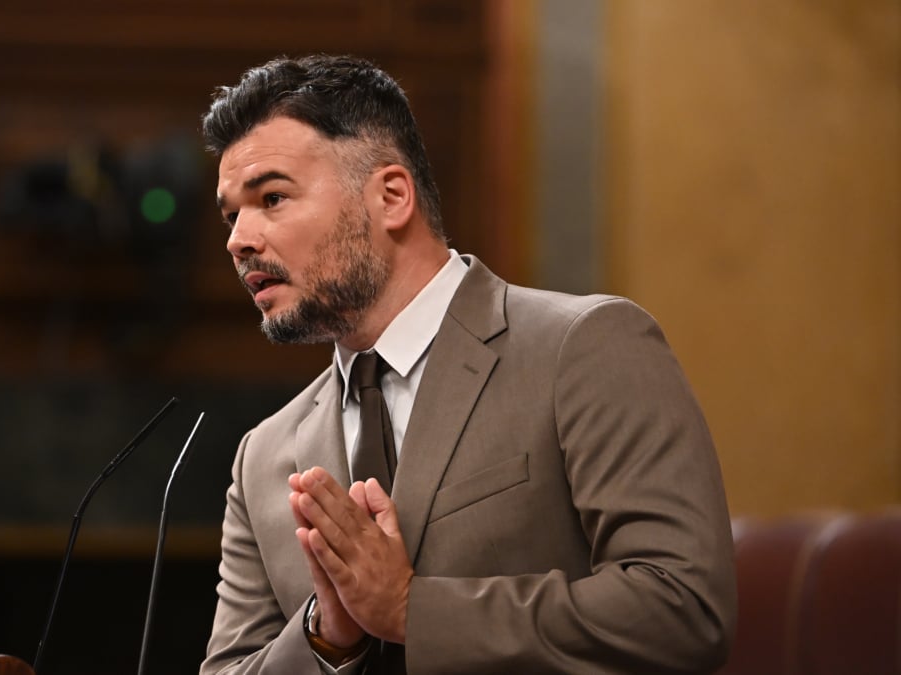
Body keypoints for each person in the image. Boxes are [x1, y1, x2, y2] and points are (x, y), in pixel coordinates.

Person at [199, 54, 736, 675]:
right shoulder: (263, 455)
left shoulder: (584, 348)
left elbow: (684, 607)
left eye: (271, 197)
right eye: (231, 214)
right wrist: (328, 636)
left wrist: (411, 610)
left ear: (392, 196)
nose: (239, 238)